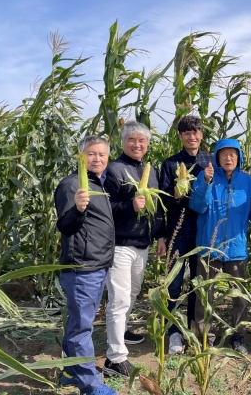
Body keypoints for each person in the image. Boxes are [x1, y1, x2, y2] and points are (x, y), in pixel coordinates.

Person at [189, 138, 251, 355]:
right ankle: (204, 336)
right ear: (217, 157)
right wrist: (205, 184)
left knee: (239, 296)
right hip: (209, 247)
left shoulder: (248, 182)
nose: (228, 158)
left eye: (232, 154)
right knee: (205, 294)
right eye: (223, 154)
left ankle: (238, 336)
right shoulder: (206, 177)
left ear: (239, 157)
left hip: (236, 248)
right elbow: (196, 205)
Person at [55, 135, 117, 395]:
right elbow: (66, 226)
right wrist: (78, 210)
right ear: (81, 156)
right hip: (83, 266)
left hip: (97, 264)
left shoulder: (99, 184)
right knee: (82, 327)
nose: (98, 159)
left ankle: (70, 372)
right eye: (92, 154)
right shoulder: (72, 185)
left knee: (78, 322)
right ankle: (92, 386)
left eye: (102, 154)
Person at [102, 121, 164, 377]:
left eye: (142, 141)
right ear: (123, 142)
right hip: (119, 245)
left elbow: (158, 208)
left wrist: (160, 235)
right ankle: (115, 358)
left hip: (142, 244)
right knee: (119, 299)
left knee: (133, 293)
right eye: (132, 140)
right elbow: (103, 209)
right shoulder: (114, 170)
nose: (137, 145)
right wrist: (130, 206)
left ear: (147, 144)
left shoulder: (150, 170)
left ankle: (122, 331)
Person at [158, 115, 213, 354]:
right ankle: (173, 333)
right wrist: (177, 194)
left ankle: (195, 329)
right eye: (187, 133)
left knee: (198, 286)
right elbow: (162, 202)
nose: (192, 137)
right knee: (173, 286)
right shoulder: (170, 164)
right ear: (180, 137)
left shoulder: (211, 162)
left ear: (201, 134)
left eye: (196, 132)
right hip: (178, 232)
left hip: (204, 232)